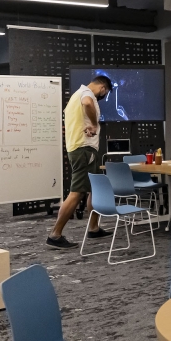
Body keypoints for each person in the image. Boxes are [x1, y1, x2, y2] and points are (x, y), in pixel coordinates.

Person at [46, 75, 113, 249]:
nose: (100, 97)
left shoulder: (75, 96)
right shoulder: (87, 93)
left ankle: (93, 227)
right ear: (103, 88)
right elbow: (88, 103)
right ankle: (55, 234)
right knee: (77, 192)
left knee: (93, 190)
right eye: (103, 94)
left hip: (80, 149)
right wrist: (93, 123)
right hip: (84, 149)